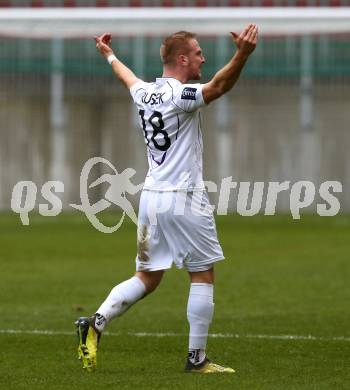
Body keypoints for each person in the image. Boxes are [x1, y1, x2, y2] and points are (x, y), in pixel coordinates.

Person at [76, 24, 258, 374]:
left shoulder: (145, 93)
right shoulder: (180, 95)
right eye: (199, 52)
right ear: (182, 58)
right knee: (202, 274)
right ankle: (197, 360)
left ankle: (95, 323)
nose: (203, 57)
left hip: (151, 202)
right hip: (183, 199)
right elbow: (218, 87)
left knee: (147, 275)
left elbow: (127, 78)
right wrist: (243, 54)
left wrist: (109, 55)